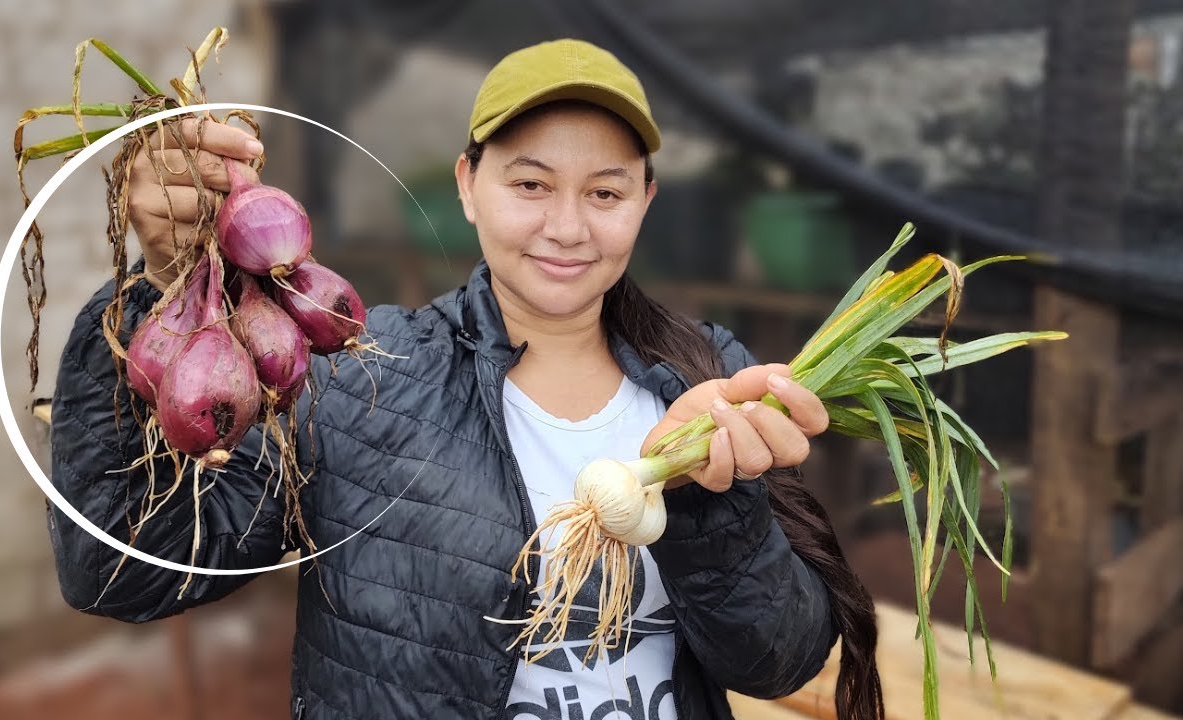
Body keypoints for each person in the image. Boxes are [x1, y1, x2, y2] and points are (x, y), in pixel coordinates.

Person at [46, 38, 881, 720]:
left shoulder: (707, 378)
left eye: (605, 193)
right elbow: (118, 567)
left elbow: (779, 663)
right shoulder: (360, 382)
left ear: (646, 202)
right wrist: (156, 295)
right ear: (468, 186)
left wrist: (713, 506)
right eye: (530, 184)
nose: (567, 227)